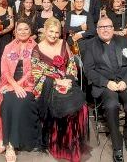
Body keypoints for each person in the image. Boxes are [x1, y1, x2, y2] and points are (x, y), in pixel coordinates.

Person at [83, 17, 127, 162]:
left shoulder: (123, 40)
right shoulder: (89, 45)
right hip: (105, 85)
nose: (105, 29)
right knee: (111, 106)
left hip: (124, 82)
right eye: (102, 27)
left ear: (113, 28)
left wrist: (126, 81)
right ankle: (117, 145)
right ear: (97, 30)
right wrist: (106, 83)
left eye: (108, 26)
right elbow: (89, 70)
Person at [31, 17, 88, 162]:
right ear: (45, 30)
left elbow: (71, 65)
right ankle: (59, 146)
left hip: (66, 81)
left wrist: (68, 79)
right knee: (63, 106)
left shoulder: (63, 43)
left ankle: (72, 145)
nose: (54, 35)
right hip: (47, 86)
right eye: (51, 31)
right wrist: (56, 82)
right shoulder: (37, 49)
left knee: (80, 106)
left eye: (57, 32)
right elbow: (37, 73)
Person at [0, 20, 41, 161]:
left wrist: (20, 85)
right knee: (7, 101)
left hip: (29, 83)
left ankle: (14, 143)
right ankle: (8, 143)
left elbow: (34, 70)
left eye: (26, 29)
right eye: (20, 29)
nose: (23, 31)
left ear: (30, 31)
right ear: (15, 32)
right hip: (10, 82)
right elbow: (5, 70)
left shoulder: (36, 47)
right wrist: (14, 85)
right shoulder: (8, 46)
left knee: (20, 103)